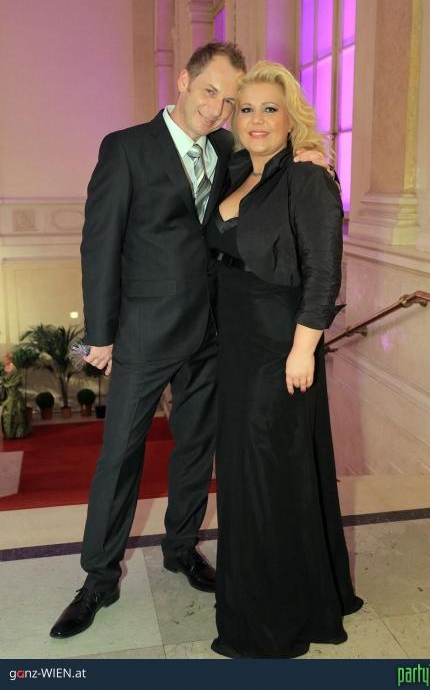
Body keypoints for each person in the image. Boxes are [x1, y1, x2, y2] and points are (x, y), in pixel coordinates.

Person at [50, 43, 327, 639]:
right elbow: (99, 243)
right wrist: (100, 334)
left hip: (211, 332)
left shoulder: (228, 148)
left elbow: (270, 175)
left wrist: (306, 154)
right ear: (183, 81)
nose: (218, 108)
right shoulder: (126, 148)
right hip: (145, 332)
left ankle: (180, 548)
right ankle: (98, 578)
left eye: (229, 101)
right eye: (210, 92)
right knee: (120, 456)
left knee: (197, 448)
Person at [204, 61, 363, 659]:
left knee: (268, 476)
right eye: (246, 109)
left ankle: (271, 619)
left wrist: (303, 350)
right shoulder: (238, 169)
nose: (257, 120)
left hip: (279, 345)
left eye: (270, 108)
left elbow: (323, 272)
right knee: (247, 473)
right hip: (236, 344)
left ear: (290, 116)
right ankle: (292, 592)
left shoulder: (306, 176)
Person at [0, 354, 31, 439]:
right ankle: (9, 433)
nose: (5, 361)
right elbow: (3, 379)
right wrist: (3, 383)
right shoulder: (4, 368)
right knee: (6, 414)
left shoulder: (15, 369)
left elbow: (18, 381)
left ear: (10, 359)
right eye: (4, 359)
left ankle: (18, 433)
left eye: (6, 359)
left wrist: (7, 384)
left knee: (16, 413)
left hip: (14, 394)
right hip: (8, 393)